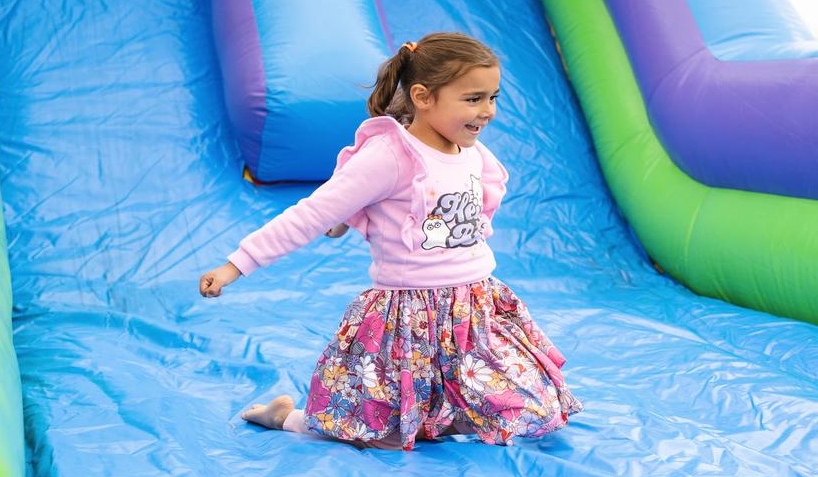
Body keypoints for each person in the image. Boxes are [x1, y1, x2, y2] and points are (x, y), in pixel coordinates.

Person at [198, 32, 582, 450]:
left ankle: (435, 415)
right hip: (408, 318)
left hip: (472, 312)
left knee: (532, 410)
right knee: (383, 435)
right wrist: (236, 265)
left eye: (493, 98)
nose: (487, 111)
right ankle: (287, 418)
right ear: (423, 96)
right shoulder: (390, 155)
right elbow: (313, 213)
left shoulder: (472, 152)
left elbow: (479, 205)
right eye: (473, 99)